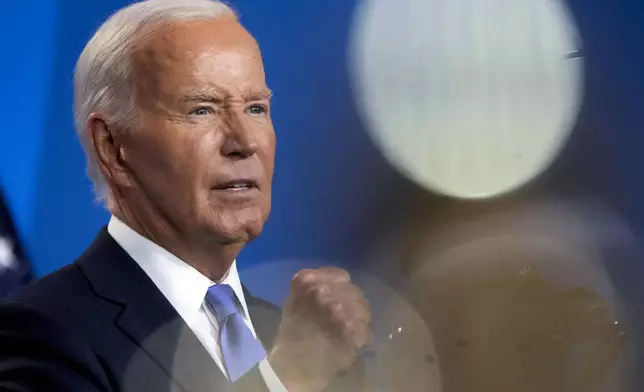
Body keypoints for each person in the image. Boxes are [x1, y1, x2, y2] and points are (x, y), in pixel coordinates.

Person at [0, 1, 372, 391]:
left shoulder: (306, 337)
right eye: (202, 110)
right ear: (111, 146)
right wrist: (291, 378)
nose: (244, 142)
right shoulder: (42, 333)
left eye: (256, 108)